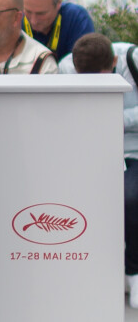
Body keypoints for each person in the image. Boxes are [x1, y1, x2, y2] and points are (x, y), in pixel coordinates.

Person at [59, 33, 138, 308]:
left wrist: (115, 118)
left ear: (114, 63)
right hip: (89, 151)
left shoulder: (132, 59)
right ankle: (95, 272)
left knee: (130, 199)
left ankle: (133, 272)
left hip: (130, 149)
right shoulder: (66, 67)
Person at [19, 0, 94, 60]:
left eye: (41, 14)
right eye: (28, 11)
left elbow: (86, 67)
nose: (33, 21)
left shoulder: (76, 18)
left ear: (59, 3)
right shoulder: (14, 18)